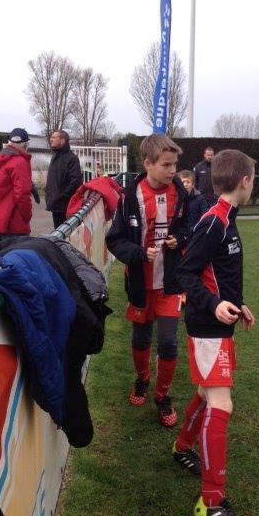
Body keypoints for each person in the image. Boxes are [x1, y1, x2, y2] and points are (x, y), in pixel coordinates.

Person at [174, 149, 256, 516]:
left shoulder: (227, 218)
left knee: (208, 393)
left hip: (217, 321)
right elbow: (186, 273)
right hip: (207, 326)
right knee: (221, 403)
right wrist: (214, 305)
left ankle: (182, 446)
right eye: (253, 179)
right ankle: (210, 502)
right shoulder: (214, 221)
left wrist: (237, 304)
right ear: (245, 181)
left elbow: (219, 272)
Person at [105, 134, 189, 427]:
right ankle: (142, 379)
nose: (172, 171)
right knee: (141, 337)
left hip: (171, 284)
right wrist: (140, 253)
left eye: (174, 164)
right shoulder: (130, 197)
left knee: (168, 342)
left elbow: (192, 226)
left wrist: (181, 238)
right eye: (166, 165)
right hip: (141, 284)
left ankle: (162, 396)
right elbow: (114, 239)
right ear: (148, 164)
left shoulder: (181, 193)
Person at [0, 128, 33, 240]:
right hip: (14, 221)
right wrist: (27, 215)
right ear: (26, 144)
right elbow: (22, 195)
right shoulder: (19, 162)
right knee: (18, 250)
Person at [45, 130, 83, 228]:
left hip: (65, 207)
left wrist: (61, 197)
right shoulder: (55, 157)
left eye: (54, 137)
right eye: (51, 137)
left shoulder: (72, 159)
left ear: (62, 141)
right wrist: (48, 195)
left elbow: (75, 182)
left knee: (66, 234)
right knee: (57, 232)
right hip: (55, 206)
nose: (51, 139)